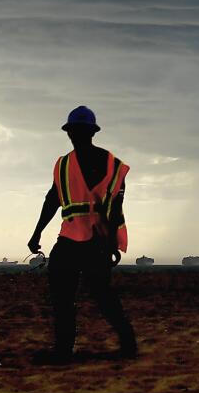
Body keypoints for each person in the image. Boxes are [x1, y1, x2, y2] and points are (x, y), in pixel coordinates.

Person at [28, 105, 139, 362]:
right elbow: (52, 199)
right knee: (62, 296)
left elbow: (115, 208)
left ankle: (128, 344)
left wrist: (111, 244)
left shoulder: (112, 165)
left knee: (101, 296)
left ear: (89, 133)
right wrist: (36, 233)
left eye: (79, 130)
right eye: (73, 131)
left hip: (96, 239)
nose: (75, 134)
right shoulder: (63, 165)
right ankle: (64, 350)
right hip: (68, 238)